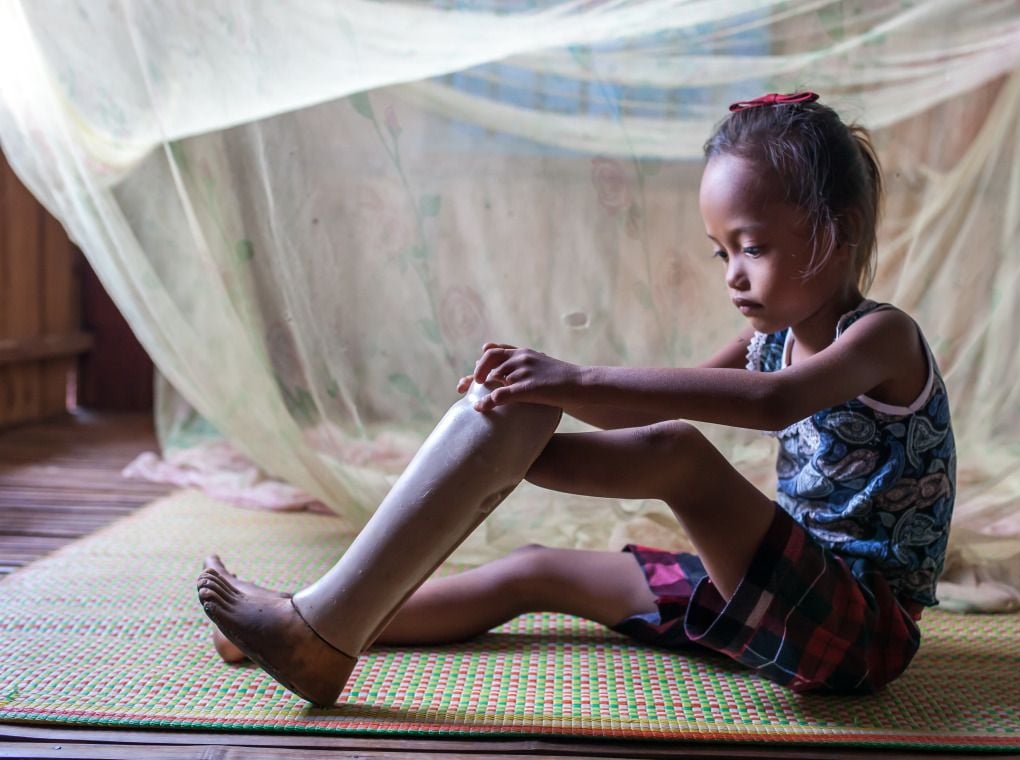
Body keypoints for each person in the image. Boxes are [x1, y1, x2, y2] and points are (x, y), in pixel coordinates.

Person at [198, 90, 956, 707]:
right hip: (783, 596)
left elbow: (770, 404)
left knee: (683, 458)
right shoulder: (770, 339)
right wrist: (514, 431)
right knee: (534, 568)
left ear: (841, 231)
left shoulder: (882, 338)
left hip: (860, 632)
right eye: (721, 252)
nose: (731, 274)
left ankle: (310, 625)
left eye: (752, 247)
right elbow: (645, 414)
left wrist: (573, 381)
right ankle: (318, 631)